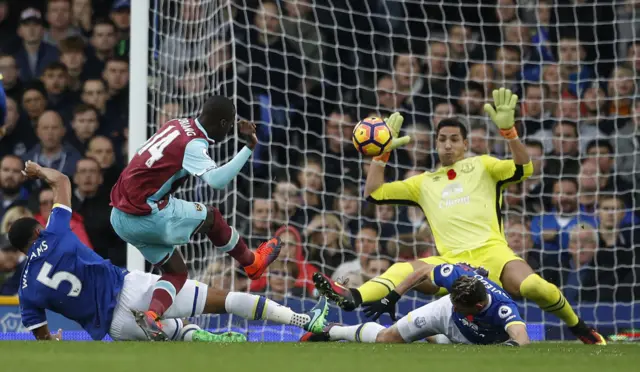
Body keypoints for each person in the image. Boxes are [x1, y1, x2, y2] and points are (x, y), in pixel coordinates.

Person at [314, 88, 606, 345]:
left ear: (466, 144)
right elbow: (374, 192)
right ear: (436, 144)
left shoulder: (484, 165)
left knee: (534, 286)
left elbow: (524, 169)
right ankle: (353, 297)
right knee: (402, 269)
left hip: (494, 254)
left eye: (455, 139)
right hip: (451, 261)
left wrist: (510, 133)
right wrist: (381, 155)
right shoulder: (423, 181)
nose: (448, 144)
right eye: (442, 139)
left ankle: (578, 327)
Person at [10, 162, 328, 341]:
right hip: (130, 287)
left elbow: (43, 337)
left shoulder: (26, 291)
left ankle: (197, 338)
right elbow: (63, 179)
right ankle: (301, 319)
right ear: (37, 230)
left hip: (114, 326)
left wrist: (55, 339)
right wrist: (39, 171)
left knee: (178, 335)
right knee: (223, 300)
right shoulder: (54, 231)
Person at [110, 95, 281, 340]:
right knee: (211, 217)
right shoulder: (193, 144)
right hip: (147, 213)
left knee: (176, 272)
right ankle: (252, 262)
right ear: (223, 123)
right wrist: (248, 147)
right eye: (230, 125)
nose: (231, 129)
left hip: (119, 216)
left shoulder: (176, 125)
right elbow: (217, 181)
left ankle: (152, 315)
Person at [307, 263, 530, 346]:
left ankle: (436, 337)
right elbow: (422, 271)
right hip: (441, 315)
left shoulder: (503, 308)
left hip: (476, 339)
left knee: (443, 343)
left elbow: (522, 338)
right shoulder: (458, 279)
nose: (456, 306)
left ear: (479, 306)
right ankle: (333, 331)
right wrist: (393, 296)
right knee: (388, 338)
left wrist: (510, 346)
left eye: (460, 306)